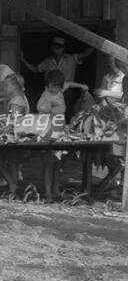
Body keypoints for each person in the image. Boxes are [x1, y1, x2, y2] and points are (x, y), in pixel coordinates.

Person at [36, 70, 87, 202]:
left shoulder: (60, 88)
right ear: (48, 84)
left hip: (60, 129)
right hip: (49, 131)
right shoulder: (45, 95)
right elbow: (40, 108)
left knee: (58, 162)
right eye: (52, 86)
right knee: (49, 162)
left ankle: (55, 190)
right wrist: (50, 109)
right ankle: (48, 194)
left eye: (58, 87)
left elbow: (69, 84)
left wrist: (81, 86)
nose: (55, 89)